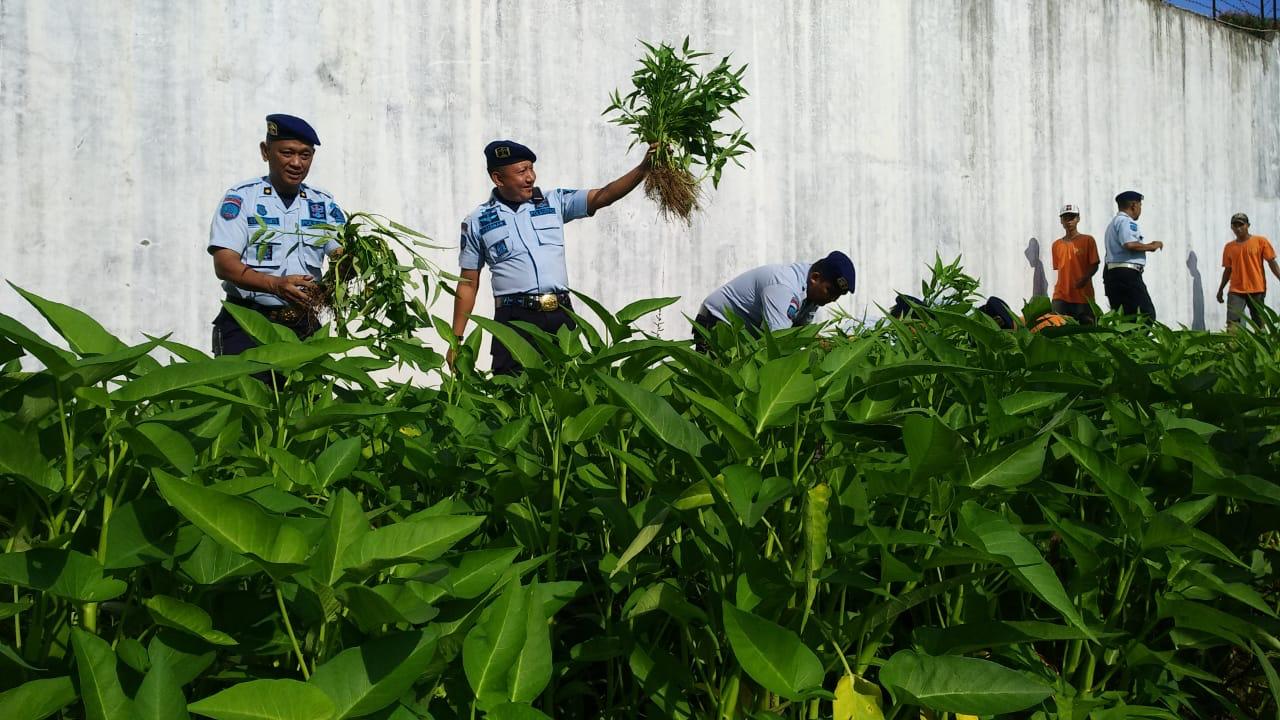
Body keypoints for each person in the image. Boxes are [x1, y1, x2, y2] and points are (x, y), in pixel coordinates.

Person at [450, 140, 652, 374]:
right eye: (521, 171)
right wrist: (456, 340)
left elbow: (604, 195)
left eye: (531, 168)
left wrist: (644, 168)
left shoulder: (554, 202)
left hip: (560, 315)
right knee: (512, 390)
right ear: (498, 178)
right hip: (514, 320)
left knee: (567, 388)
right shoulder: (477, 221)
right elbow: (468, 283)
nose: (531, 177)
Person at [207, 114, 345, 356]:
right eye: (287, 153)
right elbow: (224, 264)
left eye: (305, 155)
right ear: (265, 152)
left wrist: (352, 265)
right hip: (247, 323)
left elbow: (340, 256)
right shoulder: (242, 198)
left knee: (307, 393)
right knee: (245, 393)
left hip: (304, 323)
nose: (296, 163)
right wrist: (275, 285)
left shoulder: (322, 204)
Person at [693, 252, 856, 351]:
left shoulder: (812, 294)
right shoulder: (784, 288)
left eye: (838, 295)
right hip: (717, 323)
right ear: (815, 278)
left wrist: (836, 345)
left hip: (740, 333)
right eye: (830, 291)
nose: (833, 299)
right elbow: (779, 341)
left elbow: (800, 332)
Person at [1102, 190, 1162, 320]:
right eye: (1140, 205)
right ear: (1134, 205)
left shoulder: (1113, 223)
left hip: (1113, 273)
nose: (1140, 209)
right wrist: (1151, 247)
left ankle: (1126, 340)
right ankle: (1136, 340)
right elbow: (1129, 244)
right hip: (1126, 275)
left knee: (1125, 318)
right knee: (1146, 315)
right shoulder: (1126, 222)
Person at [1216, 212, 1279, 328]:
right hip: (1236, 290)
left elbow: (1271, 262)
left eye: (1241, 225)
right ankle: (1232, 345)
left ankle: (1262, 344)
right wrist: (1220, 289)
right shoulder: (1229, 247)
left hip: (1257, 289)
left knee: (1258, 321)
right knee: (1232, 321)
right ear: (1232, 227)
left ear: (1247, 225)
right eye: (1235, 226)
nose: (1238, 228)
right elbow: (1228, 270)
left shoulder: (1260, 242)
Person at [1050, 203, 1099, 325]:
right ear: (1061, 221)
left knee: (1087, 333)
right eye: (1065, 218)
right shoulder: (1056, 245)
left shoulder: (1088, 240)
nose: (1069, 221)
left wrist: (1084, 279)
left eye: (1072, 217)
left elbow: (1095, 264)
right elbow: (1058, 267)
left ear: (1078, 219)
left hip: (1083, 296)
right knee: (1059, 331)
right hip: (1060, 296)